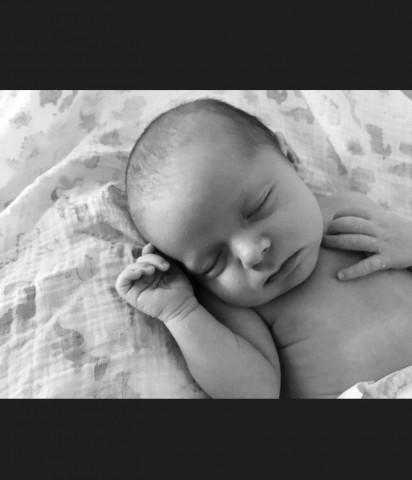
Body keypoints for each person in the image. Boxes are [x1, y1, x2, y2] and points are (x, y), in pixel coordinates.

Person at [116, 98, 412, 398]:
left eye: (258, 208)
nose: (250, 253)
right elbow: (255, 393)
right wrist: (181, 313)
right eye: (214, 262)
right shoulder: (237, 305)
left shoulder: (351, 210)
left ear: (289, 158)